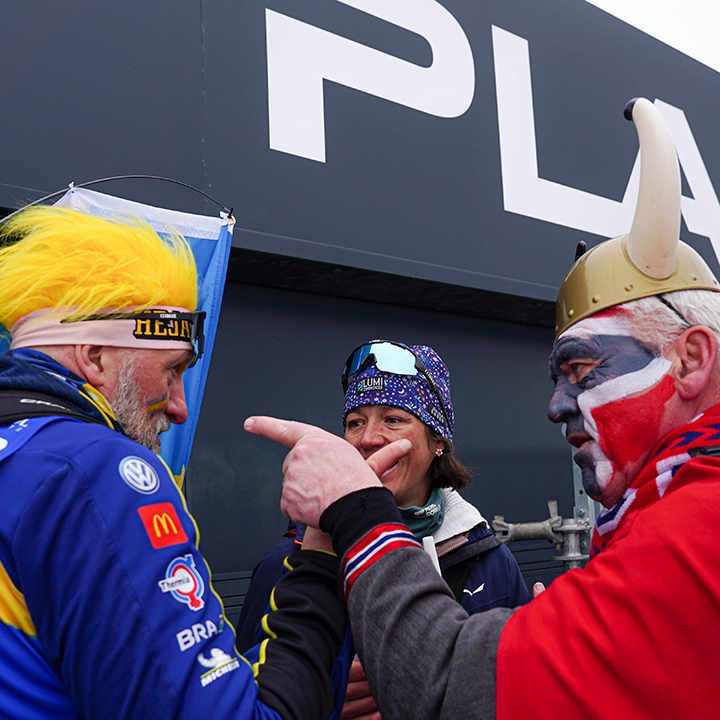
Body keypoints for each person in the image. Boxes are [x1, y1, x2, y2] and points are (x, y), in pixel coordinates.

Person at [245, 96, 720, 718]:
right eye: (355, 421)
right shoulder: (655, 508)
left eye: (583, 369)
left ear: (690, 359)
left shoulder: (695, 525)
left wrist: (356, 513)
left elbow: (450, 689)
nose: (557, 405)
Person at [0, 206, 348, 720]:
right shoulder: (95, 472)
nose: (180, 406)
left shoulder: (25, 453)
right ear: (94, 355)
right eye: (172, 370)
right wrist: (322, 555)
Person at [236, 342, 529, 717]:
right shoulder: (289, 562)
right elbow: (244, 701)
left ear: (438, 441)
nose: (369, 438)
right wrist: (311, 700)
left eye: (393, 419)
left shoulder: (491, 562)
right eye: (355, 422)